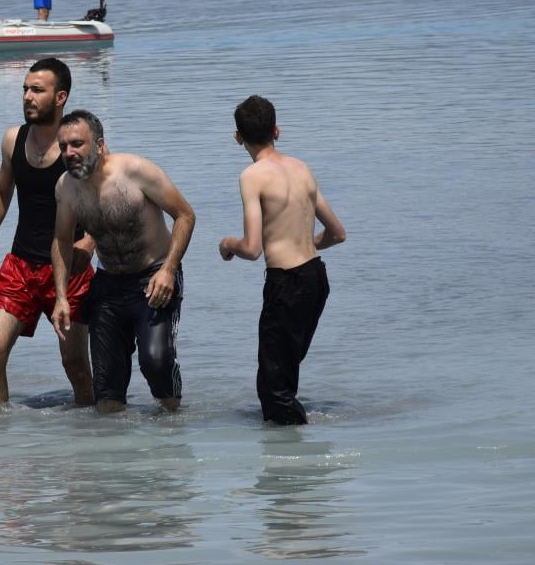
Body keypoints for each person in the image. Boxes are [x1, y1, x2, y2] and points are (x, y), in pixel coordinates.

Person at [0, 58, 95, 405]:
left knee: (75, 364)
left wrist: (90, 243)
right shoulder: (13, 139)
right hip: (20, 265)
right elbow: (1, 193)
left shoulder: (80, 145)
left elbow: (103, 199)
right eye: (25, 89)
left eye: (37, 90)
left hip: (68, 268)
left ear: (60, 97)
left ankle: (94, 445)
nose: (27, 96)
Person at [51, 110, 196, 413]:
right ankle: (116, 458)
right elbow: (62, 240)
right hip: (108, 284)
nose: (69, 153)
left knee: (155, 363)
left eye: (77, 144)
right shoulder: (66, 188)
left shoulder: (137, 171)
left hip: (154, 276)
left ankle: (174, 439)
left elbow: (184, 215)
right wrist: (61, 297)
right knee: (106, 393)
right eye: (63, 146)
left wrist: (169, 270)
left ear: (100, 145)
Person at [219, 95, 347, 424]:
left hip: (286, 284)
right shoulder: (302, 169)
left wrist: (228, 244)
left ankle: (292, 467)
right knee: (284, 375)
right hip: (315, 279)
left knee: (274, 389)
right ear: (277, 131)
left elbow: (252, 248)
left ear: (238, 138)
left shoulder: (252, 176)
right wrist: (304, 242)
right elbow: (336, 233)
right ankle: (296, 457)